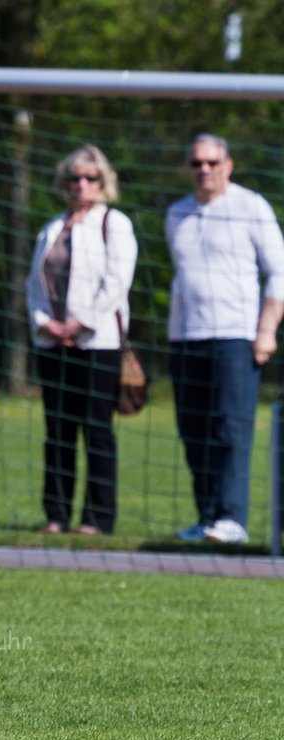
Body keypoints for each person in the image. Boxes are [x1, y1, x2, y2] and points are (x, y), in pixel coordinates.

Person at [165, 133, 284, 545]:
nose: (204, 170)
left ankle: (232, 519)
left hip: (236, 336)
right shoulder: (176, 213)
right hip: (185, 339)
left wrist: (266, 330)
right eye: (197, 163)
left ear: (228, 165)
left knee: (230, 430)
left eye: (212, 163)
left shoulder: (251, 207)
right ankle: (207, 518)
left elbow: (280, 271)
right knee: (192, 431)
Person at [25, 144, 138, 536]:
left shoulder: (114, 224)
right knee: (58, 430)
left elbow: (117, 283)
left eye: (90, 178)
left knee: (96, 430)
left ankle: (97, 518)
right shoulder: (52, 226)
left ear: (103, 183)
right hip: (52, 344)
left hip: (97, 344)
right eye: (75, 177)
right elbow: (33, 285)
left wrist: (79, 324)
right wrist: (44, 323)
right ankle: (56, 515)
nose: (82, 184)